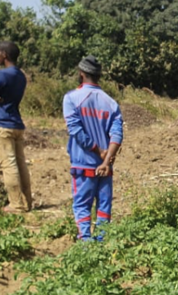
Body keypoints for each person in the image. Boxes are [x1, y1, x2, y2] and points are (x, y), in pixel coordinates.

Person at [62, 55, 123, 242]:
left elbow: (76, 132)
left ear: (81, 73)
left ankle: (86, 245)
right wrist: (106, 160)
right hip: (106, 168)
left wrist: (97, 150)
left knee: (82, 205)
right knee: (104, 206)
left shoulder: (72, 99)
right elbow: (117, 135)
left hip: (83, 164)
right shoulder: (111, 103)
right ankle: (102, 243)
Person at [0, 41, 32, 213]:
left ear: (5, 55)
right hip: (17, 123)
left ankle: (16, 204)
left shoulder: (1, 75)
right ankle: (27, 200)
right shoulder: (20, 76)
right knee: (20, 164)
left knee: (8, 165)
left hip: (2, 124)